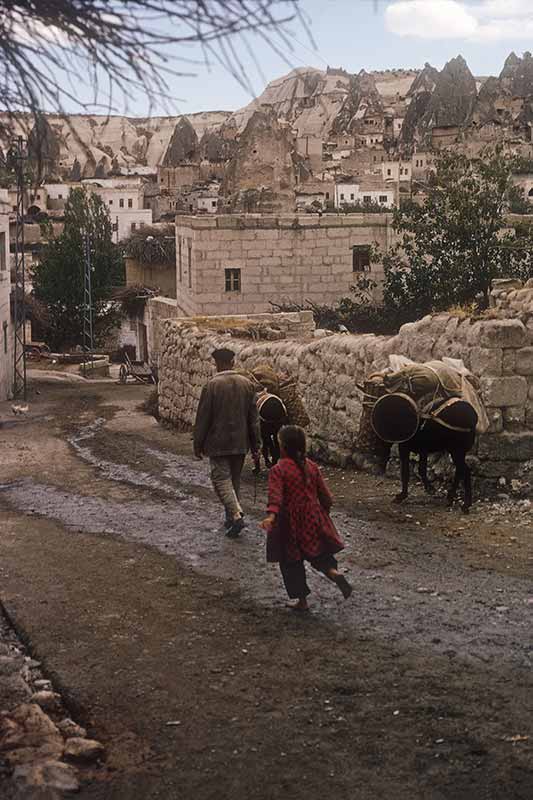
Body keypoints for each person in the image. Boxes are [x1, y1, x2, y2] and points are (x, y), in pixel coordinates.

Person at [261, 425, 353, 611]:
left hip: (289, 523)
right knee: (318, 554)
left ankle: (302, 601)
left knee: (291, 562)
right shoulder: (311, 466)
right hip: (312, 517)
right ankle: (333, 572)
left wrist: (271, 516)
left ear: (284, 447)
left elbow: (275, 497)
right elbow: (325, 496)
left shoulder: (279, 470)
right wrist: (323, 512)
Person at [194, 347, 260, 538]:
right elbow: (254, 420)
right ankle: (230, 518)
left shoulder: (211, 386)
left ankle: (236, 515)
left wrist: (198, 443)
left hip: (217, 443)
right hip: (240, 442)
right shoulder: (247, 384)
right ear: (232, 362)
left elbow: (203, 418)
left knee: (221, 480)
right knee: (234, 480)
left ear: (217, 364)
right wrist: (256, 445)